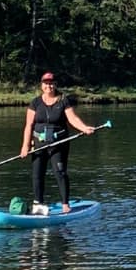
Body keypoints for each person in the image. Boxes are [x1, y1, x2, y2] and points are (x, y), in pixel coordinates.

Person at [19, 70, 99, 212]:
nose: (48, 86)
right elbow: (28, 126)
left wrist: (84, 128)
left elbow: (73, 119)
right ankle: (38, 204)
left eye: (51, 84)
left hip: (58, 144)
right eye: (46, 83)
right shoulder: (35, 103)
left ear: (55, 85)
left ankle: (65, 205)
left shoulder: (63, 101)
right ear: (41, 85)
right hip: (39, 143)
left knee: (60, 172)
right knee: (37, 173)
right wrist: (25, 146)